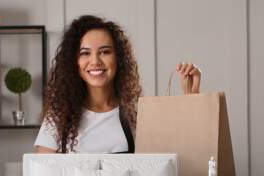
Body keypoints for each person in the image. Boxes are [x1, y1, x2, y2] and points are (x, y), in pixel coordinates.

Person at [34, 15, 201, 154]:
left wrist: (191, 98)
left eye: (105, 52)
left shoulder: (137, 114)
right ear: (73, 61)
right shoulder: (58, 117)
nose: (95, 61)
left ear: (119, 58)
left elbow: (180, 158)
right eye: (85, 53)